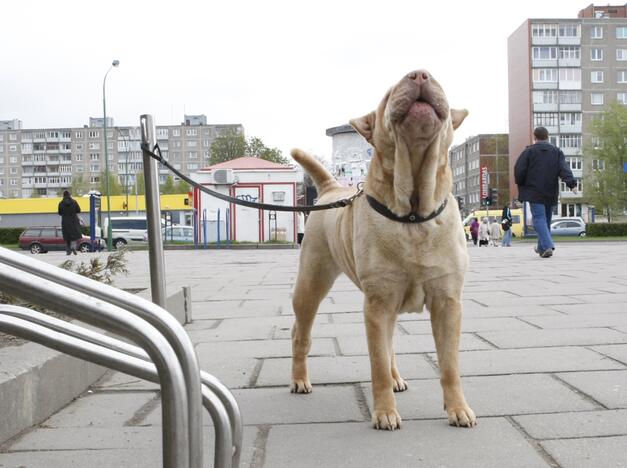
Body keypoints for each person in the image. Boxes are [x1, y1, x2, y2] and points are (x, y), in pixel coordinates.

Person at [515, 127, 577, 258]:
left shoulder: (529, 152)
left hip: (534, 192)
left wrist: (521, 183)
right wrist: (571, 184)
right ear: (547, 136)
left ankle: (548, 246)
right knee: (546, 221)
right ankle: (542, 249)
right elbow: (564, 168)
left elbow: (519, 170)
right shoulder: (556, 152)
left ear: (534, 137)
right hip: (550, 191)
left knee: (539, 219)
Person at [58, 190, 82, 255]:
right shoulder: (74, 202)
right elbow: (79, 210)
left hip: (65, 221)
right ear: (69, 195)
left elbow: (59, 213)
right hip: (74, 221)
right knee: (74, 236)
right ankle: (73, 247)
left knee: (67, 236)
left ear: (63, 195)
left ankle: (68, 251)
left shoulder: (61, 203)